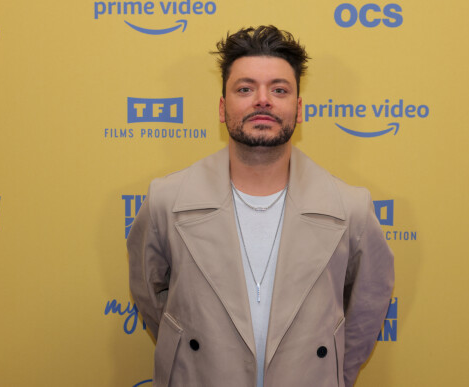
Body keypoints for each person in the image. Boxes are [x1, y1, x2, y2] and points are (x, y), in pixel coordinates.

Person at [127, 25, 394, 387]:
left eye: (279, 89)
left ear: (299, 110)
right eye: (245, 89)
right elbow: (153, 300)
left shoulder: (351, 208)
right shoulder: (166, 201)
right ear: (223, 108)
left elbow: (365, 313)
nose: (262, 100)